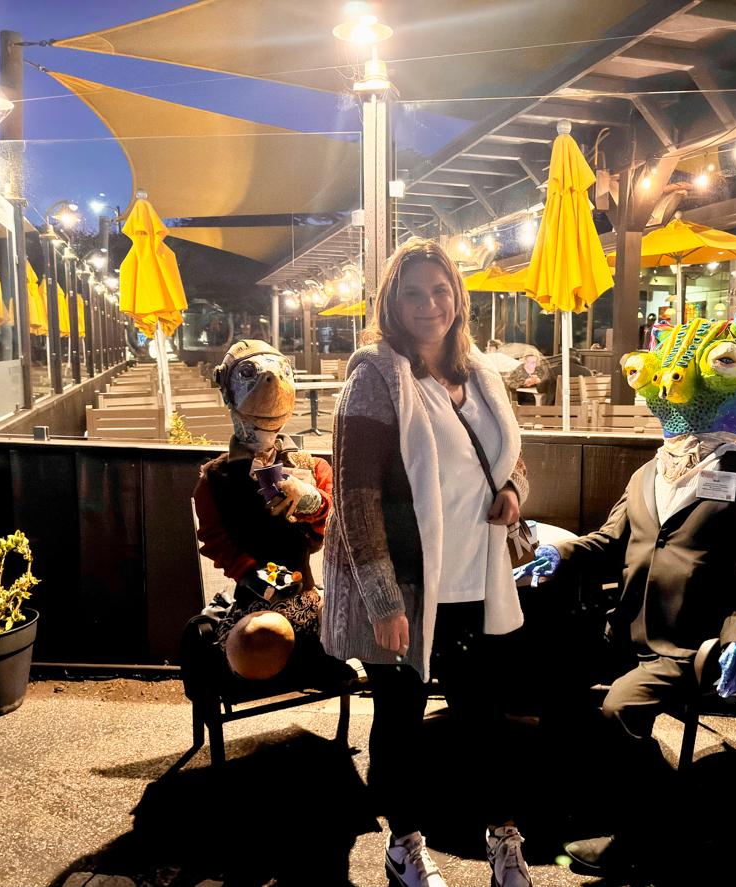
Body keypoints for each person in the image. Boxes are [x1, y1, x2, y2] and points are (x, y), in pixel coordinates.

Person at [520, 307, 736, 878]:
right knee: (547, 679)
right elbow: (609, 541)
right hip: (621, 631)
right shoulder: (648, 474)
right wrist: (556, 552)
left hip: (691, 644)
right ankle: (601, 803)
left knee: (616, 708)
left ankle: (647, 831)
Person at [321, 238, 534, 887]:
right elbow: (355, 500)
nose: (429, 304)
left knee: (485, 722)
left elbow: (511, 459)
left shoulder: (483, 373)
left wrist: (514, 492)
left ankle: (503, 840)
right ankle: (403, 845)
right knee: (401, 721)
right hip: (411, 587)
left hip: (479, 579)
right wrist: (384, 602)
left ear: (457, 296)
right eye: (413, 293)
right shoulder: (375, 378)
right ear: (392, 301)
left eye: (439, 290)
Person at [193, 340, 337, 681]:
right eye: (248, 375)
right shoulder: (215, 478)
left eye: (280, 374)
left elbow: (325, 528)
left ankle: (307, 655)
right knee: (262, 637)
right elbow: (214, 538)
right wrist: (249, 573)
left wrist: (310, 500)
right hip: (254, 606)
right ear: (228, 390)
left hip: (307, 596)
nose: (270, 383)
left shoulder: (312, 466)